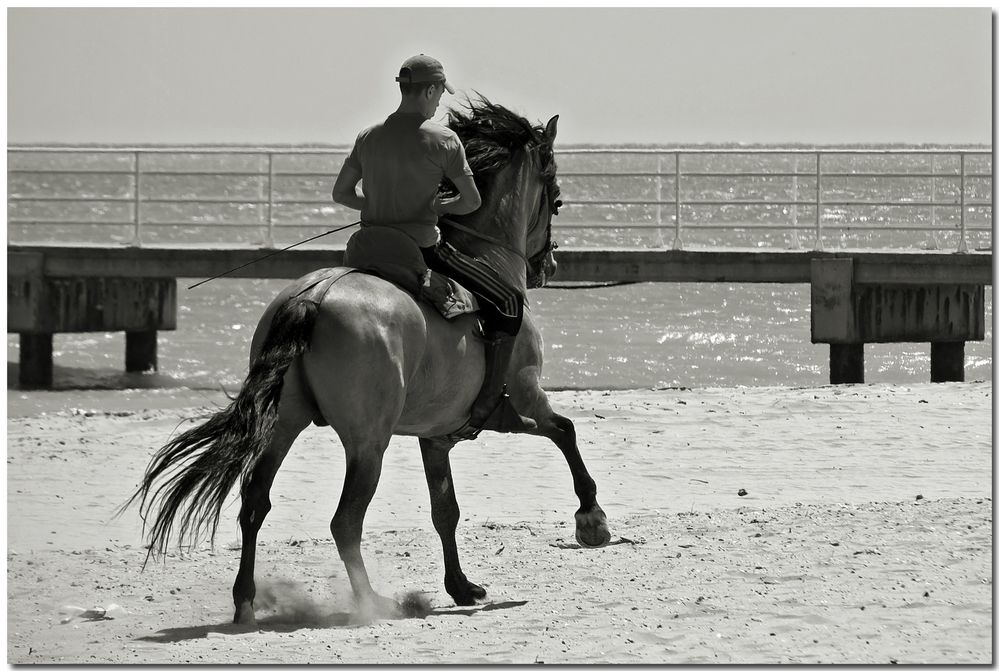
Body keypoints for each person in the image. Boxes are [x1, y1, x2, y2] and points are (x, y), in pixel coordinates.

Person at [331, 54, 536, 440]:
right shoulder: (443, 140)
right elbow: (471, 202)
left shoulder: (368, 136)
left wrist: (373, 206)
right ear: (428, 90)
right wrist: (435, 206)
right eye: (440, 92)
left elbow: (341, 193)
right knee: (508, 302)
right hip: (420, 250)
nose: (440, 100)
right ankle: (492, 404)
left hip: (365, 249)